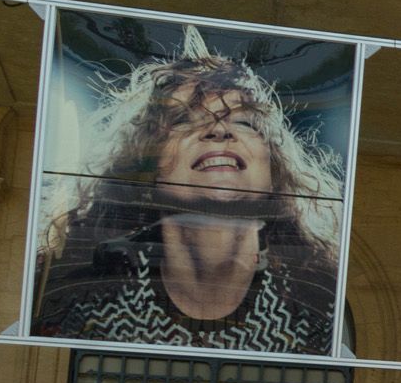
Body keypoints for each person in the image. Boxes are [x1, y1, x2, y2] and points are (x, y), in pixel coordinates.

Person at [31, 35, 342, 353]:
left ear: (276, 173)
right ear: (148, 169)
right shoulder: (81, 295)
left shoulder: (318, 301)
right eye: (183, 120)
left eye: (244, 121)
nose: (219, 130)